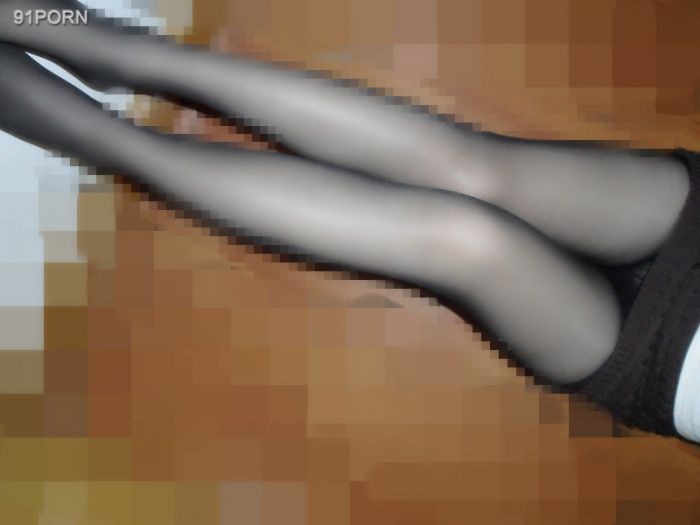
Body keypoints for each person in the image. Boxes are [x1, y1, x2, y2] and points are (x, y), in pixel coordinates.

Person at [0, 0, 698, 442]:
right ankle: (115, 50)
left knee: (467, 243)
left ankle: (102, 139)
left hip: (672, 371)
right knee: (475, 171)